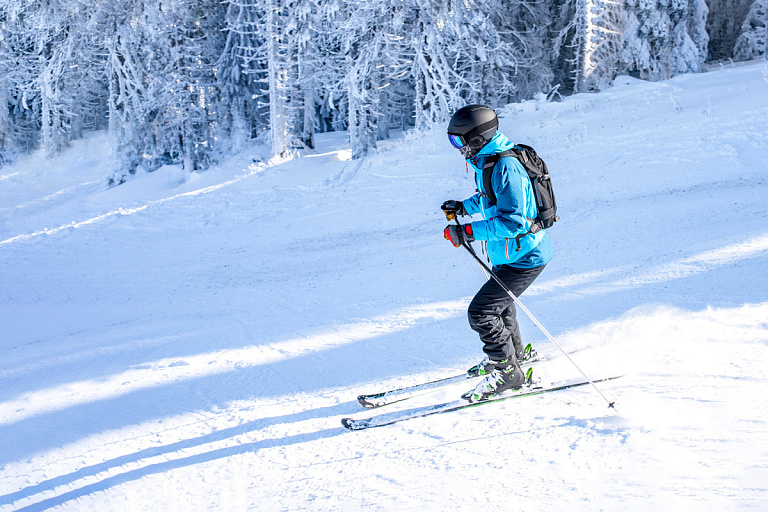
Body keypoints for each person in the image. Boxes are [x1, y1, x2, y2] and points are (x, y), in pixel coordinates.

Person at [441, 104, 553, 402]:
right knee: (500, 306)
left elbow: (515, 221)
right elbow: (490, 199)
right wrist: (464, 208)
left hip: (525, 256)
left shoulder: (506, 167)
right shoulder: (488, 161)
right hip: (511, 254)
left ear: (476, 138)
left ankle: (508, 374)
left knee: (482, 312)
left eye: (458, 140)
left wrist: (468, 232)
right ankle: (514, 357)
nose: (457, 147)